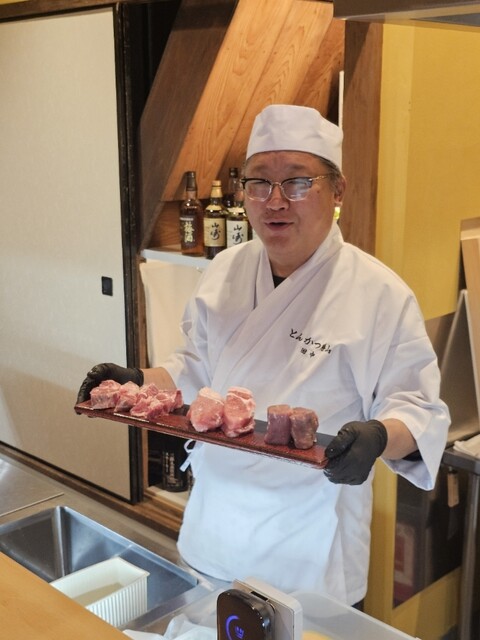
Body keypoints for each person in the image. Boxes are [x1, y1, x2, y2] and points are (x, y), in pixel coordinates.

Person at [77, 104, 450, 606]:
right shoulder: (225, 270)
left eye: (297, 181)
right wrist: (136, 380)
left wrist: (379, 436)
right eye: (259, 182)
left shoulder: (380, 294)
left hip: (308, 546)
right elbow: (194, 369)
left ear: (338, 190)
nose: (275, 201)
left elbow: (419, 410)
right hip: (216, 527)